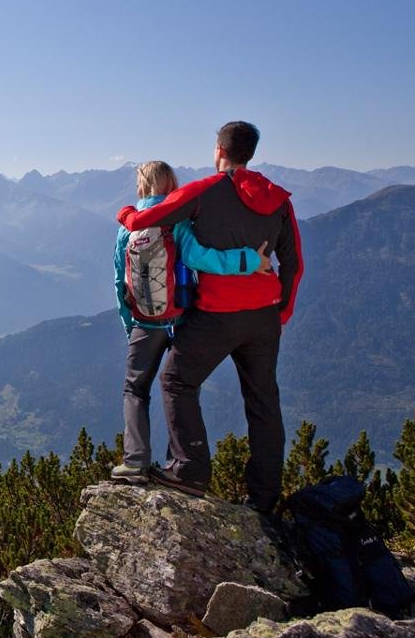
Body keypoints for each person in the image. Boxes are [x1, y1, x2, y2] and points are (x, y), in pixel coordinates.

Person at [117, 121, 303, 513]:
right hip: (264, 318)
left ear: (219, 150)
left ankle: (190, 470)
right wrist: (281, 311)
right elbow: (294, 263)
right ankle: (264, 498)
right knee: (264, 402)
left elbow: (147, 220)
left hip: (216, 315)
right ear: (250, 153)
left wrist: (126, 213)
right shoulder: (279, 201)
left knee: (175, 381)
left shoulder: (203, 192)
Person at [110, 161, 269, 484]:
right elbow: (199, 258)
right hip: (183, 317)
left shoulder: (127, 228)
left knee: (135, 389)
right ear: (172, 185)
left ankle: (135, 461)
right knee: (181, 387)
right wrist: (249, 260)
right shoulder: (178, 222)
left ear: (141, 187)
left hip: (146, 322)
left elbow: (119, 281)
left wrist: (132, 324)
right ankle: (177, 461)